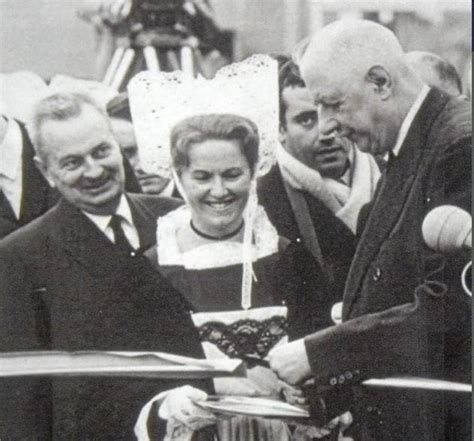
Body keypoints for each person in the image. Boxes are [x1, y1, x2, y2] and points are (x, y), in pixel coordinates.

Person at [268, 19, 471, 441]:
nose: (328, 126)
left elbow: (455, 305)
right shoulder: (416, 143)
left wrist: (321, 352)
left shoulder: (458, 147)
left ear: (380, 82)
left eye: (334, 104)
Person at [0, 91, 206, 440]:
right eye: (72, 162)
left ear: (118, 145)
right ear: (45, 171)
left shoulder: (175, 217)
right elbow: (22, 402)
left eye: (101, 151)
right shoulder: (20, 257)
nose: (94, 171)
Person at [136, 113, 330, 441]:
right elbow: (141, 384)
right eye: (202, 177)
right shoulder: (154, 270)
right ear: (179, 176)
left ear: (253, 172)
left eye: (232, 174)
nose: (219, 190)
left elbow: (323, 355)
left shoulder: (286, 257)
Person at [258, 60, 380, 306]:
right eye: (307, 120)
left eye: (334, 112)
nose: (326, 130)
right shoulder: (264, 196)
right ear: (279, 129)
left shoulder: (387, 174)